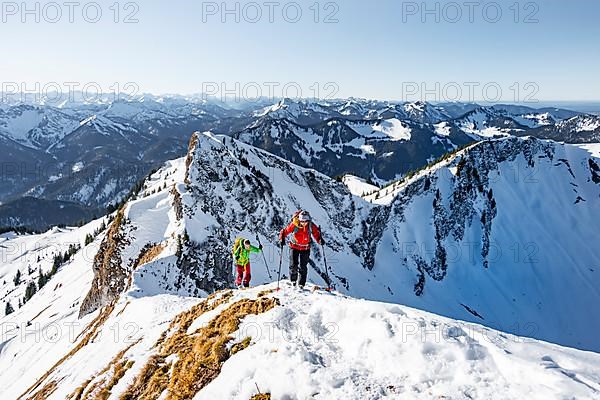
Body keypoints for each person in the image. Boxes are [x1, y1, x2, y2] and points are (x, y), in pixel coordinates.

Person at [279, 210, 324, 289]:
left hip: (305, 248)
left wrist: (319, 240)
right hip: (294, 246)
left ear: (308, 220)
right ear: (299, 220)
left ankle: (301, 284)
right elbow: (285, 231)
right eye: (302, 221)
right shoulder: (294, 224)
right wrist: (282, 239)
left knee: (303, 266)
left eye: (305, 221)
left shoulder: (310, 225)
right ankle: (293, 281)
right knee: (293, 265)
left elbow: (316, 233)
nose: (304, 223)